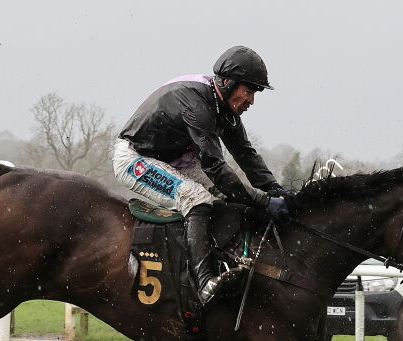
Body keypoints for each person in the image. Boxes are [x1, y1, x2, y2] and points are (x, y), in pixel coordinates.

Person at [114, 45, 290, 305]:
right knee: (197, 198)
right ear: (228, 83)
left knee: (226, 198)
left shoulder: (222, 107)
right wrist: (263, 202)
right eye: (249, 91)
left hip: (174, 163)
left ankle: (224, 264)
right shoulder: (197, 104)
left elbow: (245, 155)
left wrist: (277, 191)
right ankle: (204, 282)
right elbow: (215, 167)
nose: (251, 101)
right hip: (136, 159)